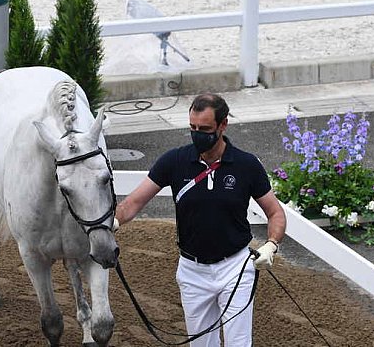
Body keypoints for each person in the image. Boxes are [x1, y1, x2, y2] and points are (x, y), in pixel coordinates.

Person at [114, 93, 286, 347]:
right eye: (192, 128)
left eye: (204, 129)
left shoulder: (246, 165)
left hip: (235, 268)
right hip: (192, 271)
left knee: (239, 342)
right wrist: (110, 223)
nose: (197, 134)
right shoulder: (174, 161)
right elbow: (132, 204)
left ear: (223, 125)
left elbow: (275, 213)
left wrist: (271, 244)